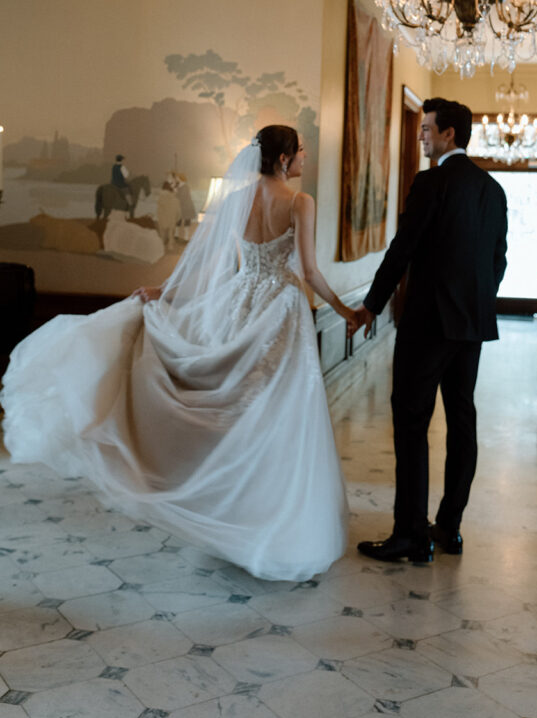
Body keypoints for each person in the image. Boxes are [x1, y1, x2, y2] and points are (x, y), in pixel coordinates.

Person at [1, 125, 358, 582]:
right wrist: (344, 309)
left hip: (238, 306)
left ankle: (235, 513)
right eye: (302, 151)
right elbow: (309, 271)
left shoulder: (234, 201)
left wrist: (164, 292)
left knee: (236, 413)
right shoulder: (299, 203)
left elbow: (207, 266)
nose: (306, 157)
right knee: (278, 416)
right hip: (280, 313)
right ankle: (273, 520)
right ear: (285, 159)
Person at [354, 98, 507, 563]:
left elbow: (403, 249)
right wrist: (475, 302)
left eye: (426, 130)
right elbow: (498, 261)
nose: (421, 136)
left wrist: (371, 305)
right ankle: (449, 528)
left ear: (449, 136)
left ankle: (410, 536)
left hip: (427, 326)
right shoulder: (492, 189)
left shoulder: (430, 181)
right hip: (471, 327)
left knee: (411, 423)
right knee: (462, 422)